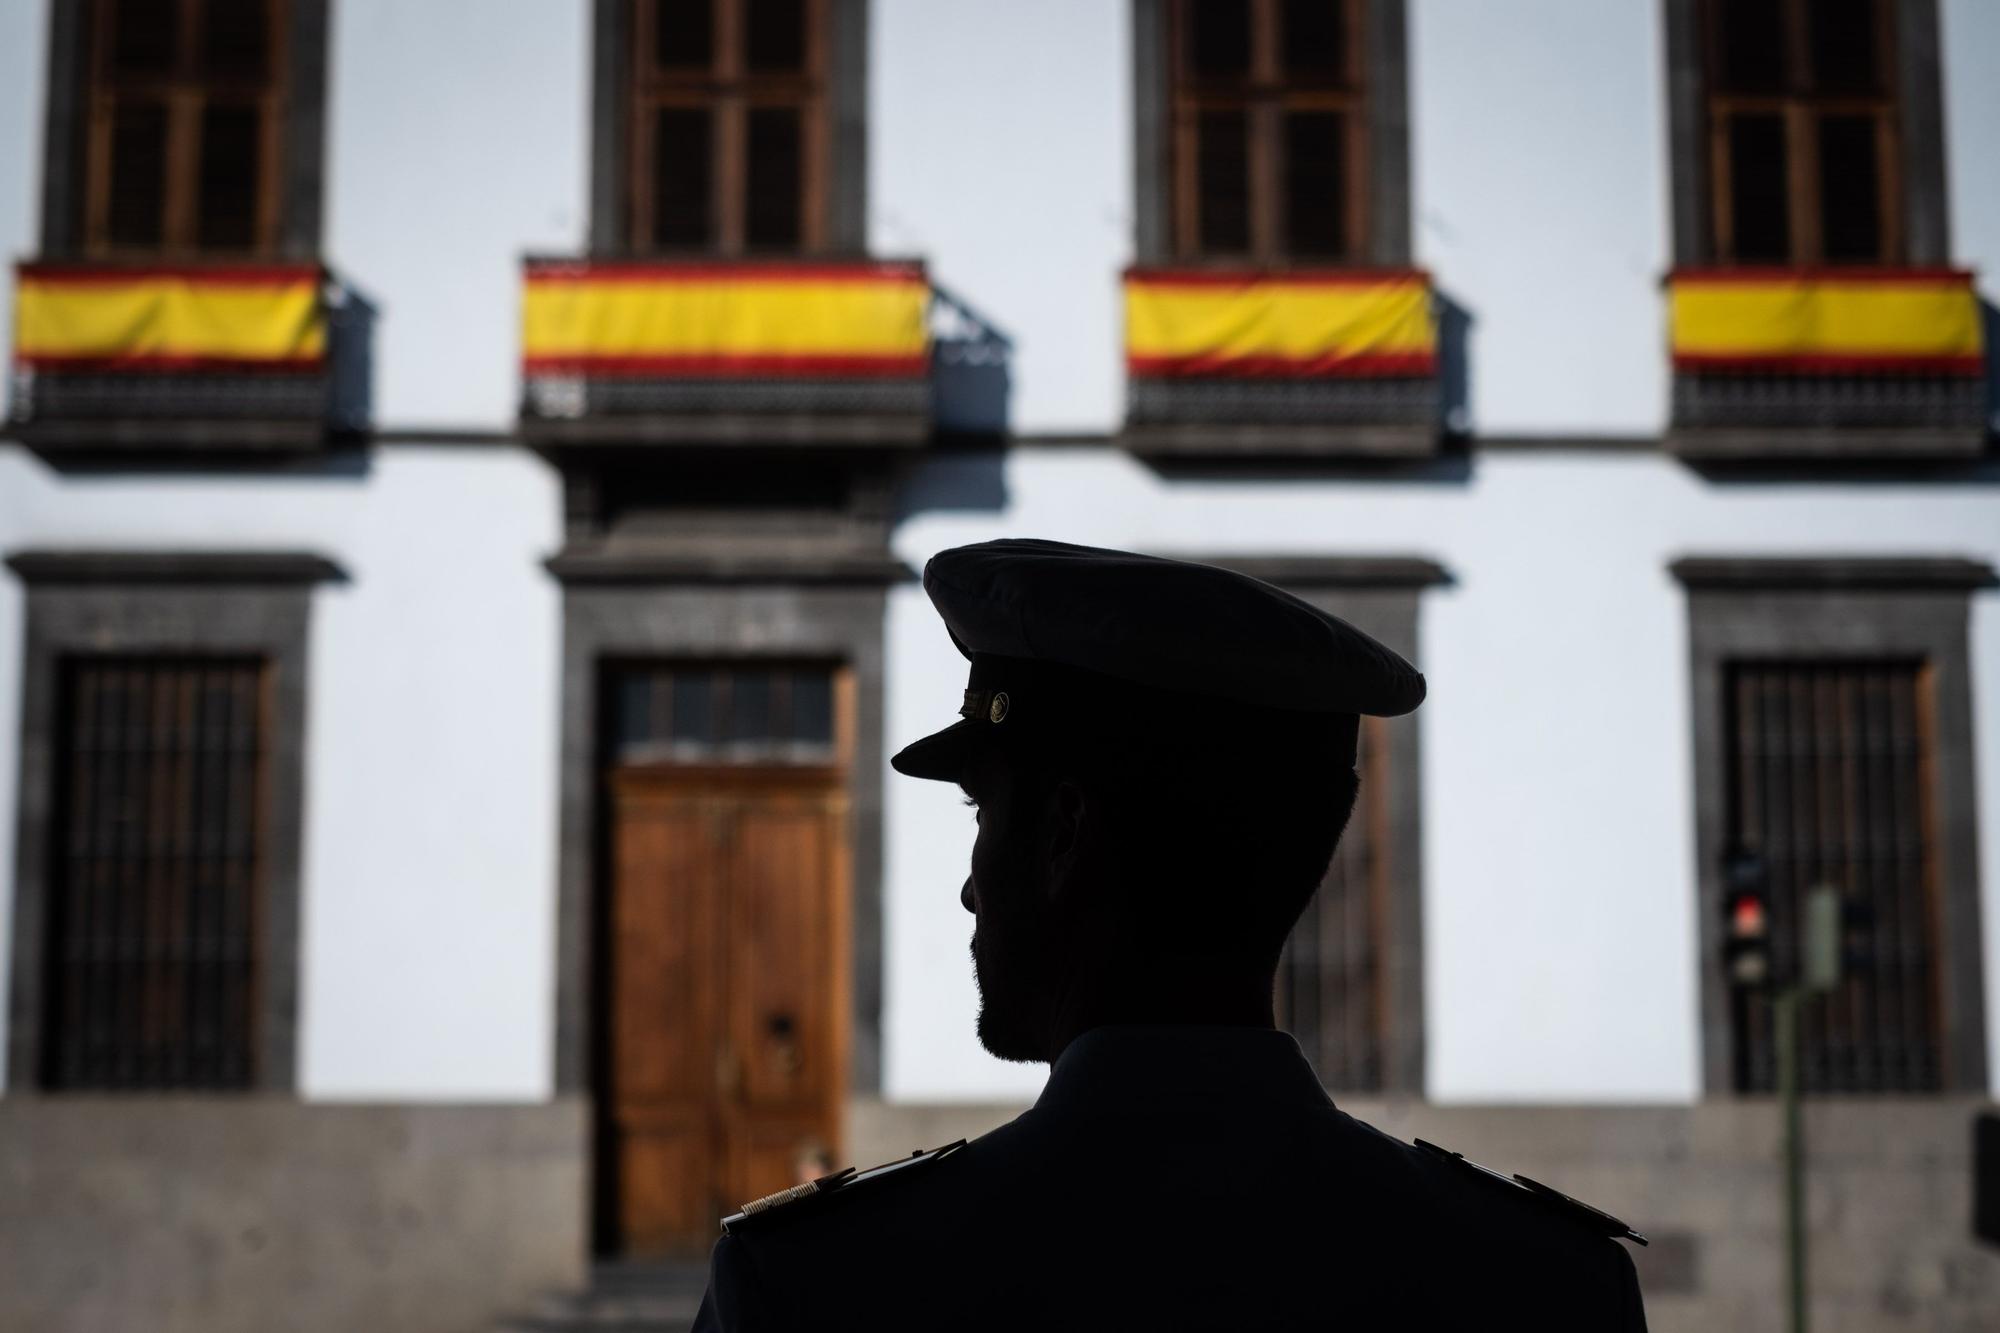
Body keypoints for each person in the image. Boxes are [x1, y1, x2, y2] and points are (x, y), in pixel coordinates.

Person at [693, 539, 1649, 1330]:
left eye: (984, 811)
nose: (969, 890)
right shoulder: (1547, 1284)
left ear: (1065, 834)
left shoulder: (817, 1289)